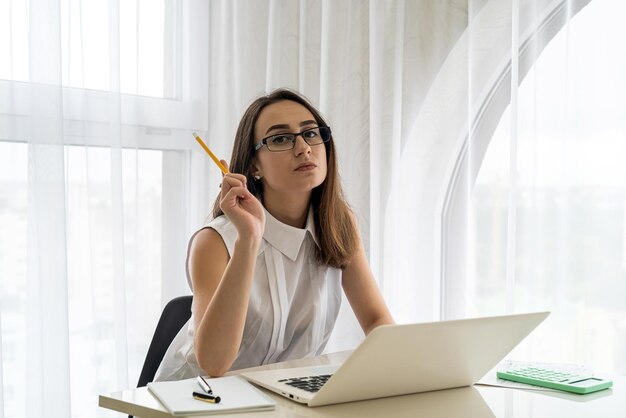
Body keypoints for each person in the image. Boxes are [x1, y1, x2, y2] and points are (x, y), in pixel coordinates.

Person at [155, 88, 394, 381]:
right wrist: (249, 238)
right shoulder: (214, 242)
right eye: (280, 138)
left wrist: (404, 368)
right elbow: (214, 365)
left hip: (278, 399)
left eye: (311, 133)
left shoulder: (338, 225)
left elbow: (376, 319)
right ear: (254, 165)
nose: (304, 148)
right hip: (197, 400)